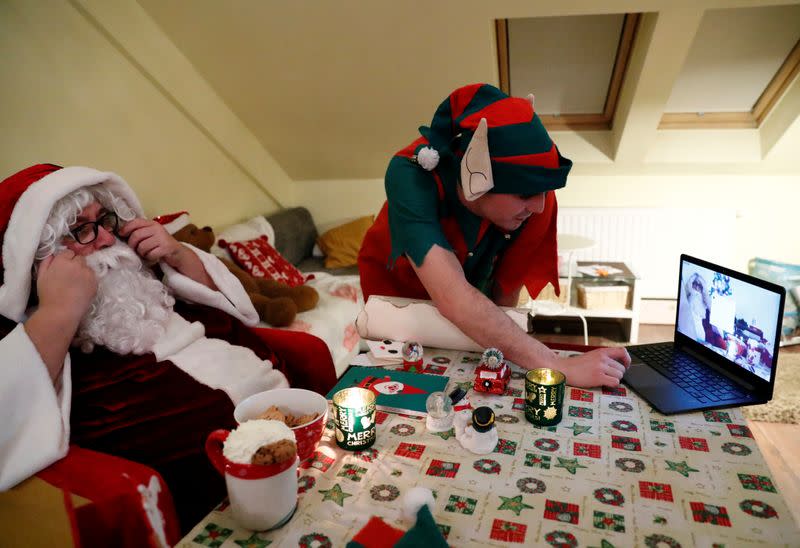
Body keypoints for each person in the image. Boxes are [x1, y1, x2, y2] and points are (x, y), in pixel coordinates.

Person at [0, 164, 335, 530]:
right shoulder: (36, 327)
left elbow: (236, 308)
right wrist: (59, 312)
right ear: (37, 257)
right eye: (81, 230)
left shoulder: (141, 274)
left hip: (294, 430)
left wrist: (179, 255)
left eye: (106, 221)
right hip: (214, 488)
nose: (108, 241)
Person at [358, 84, 630, 388]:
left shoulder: (537, 202)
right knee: (402, 386)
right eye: (526, 193)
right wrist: (556, 364)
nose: (539, 206)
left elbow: (505, 294)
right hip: (396, 298)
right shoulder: (410, 176)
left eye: (544, 191)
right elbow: (454, 297)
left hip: (468, 296)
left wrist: (514, 359)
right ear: (479, 179)